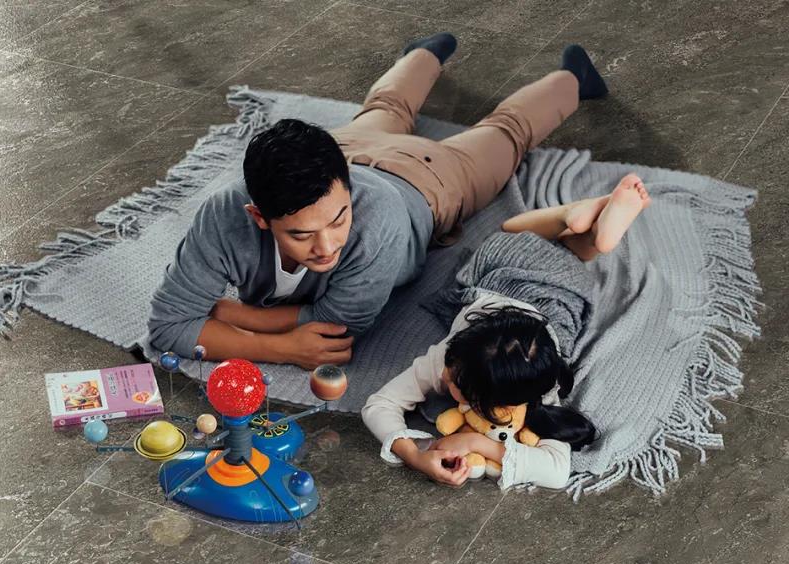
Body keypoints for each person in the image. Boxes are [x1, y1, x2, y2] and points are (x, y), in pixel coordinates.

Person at [147, 34, 610, 369]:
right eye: (302, 235)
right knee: (384, 110)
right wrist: (281, 348)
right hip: (348, 150)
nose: (327, 247)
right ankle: (423, 53)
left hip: (430, 178)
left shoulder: (377, 221)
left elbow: (335, 329)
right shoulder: (225, 216)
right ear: (258, 216)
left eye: (339, 220)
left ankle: (575, 77)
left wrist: (235, 316)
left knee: (505, 132)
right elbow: (168, 327)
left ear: (347, 191)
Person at [361, 174, 652, 490]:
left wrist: (477, 442)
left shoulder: (532, 384)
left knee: (524, 235)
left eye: (456, 385)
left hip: (553, 283)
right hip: (524, 277)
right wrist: (415, 457)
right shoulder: (456, 355)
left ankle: (582, 226)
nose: (444, 377)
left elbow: (557, 472)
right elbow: (379, 405)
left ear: (503, 404)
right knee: (521, 235)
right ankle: (583, 227)